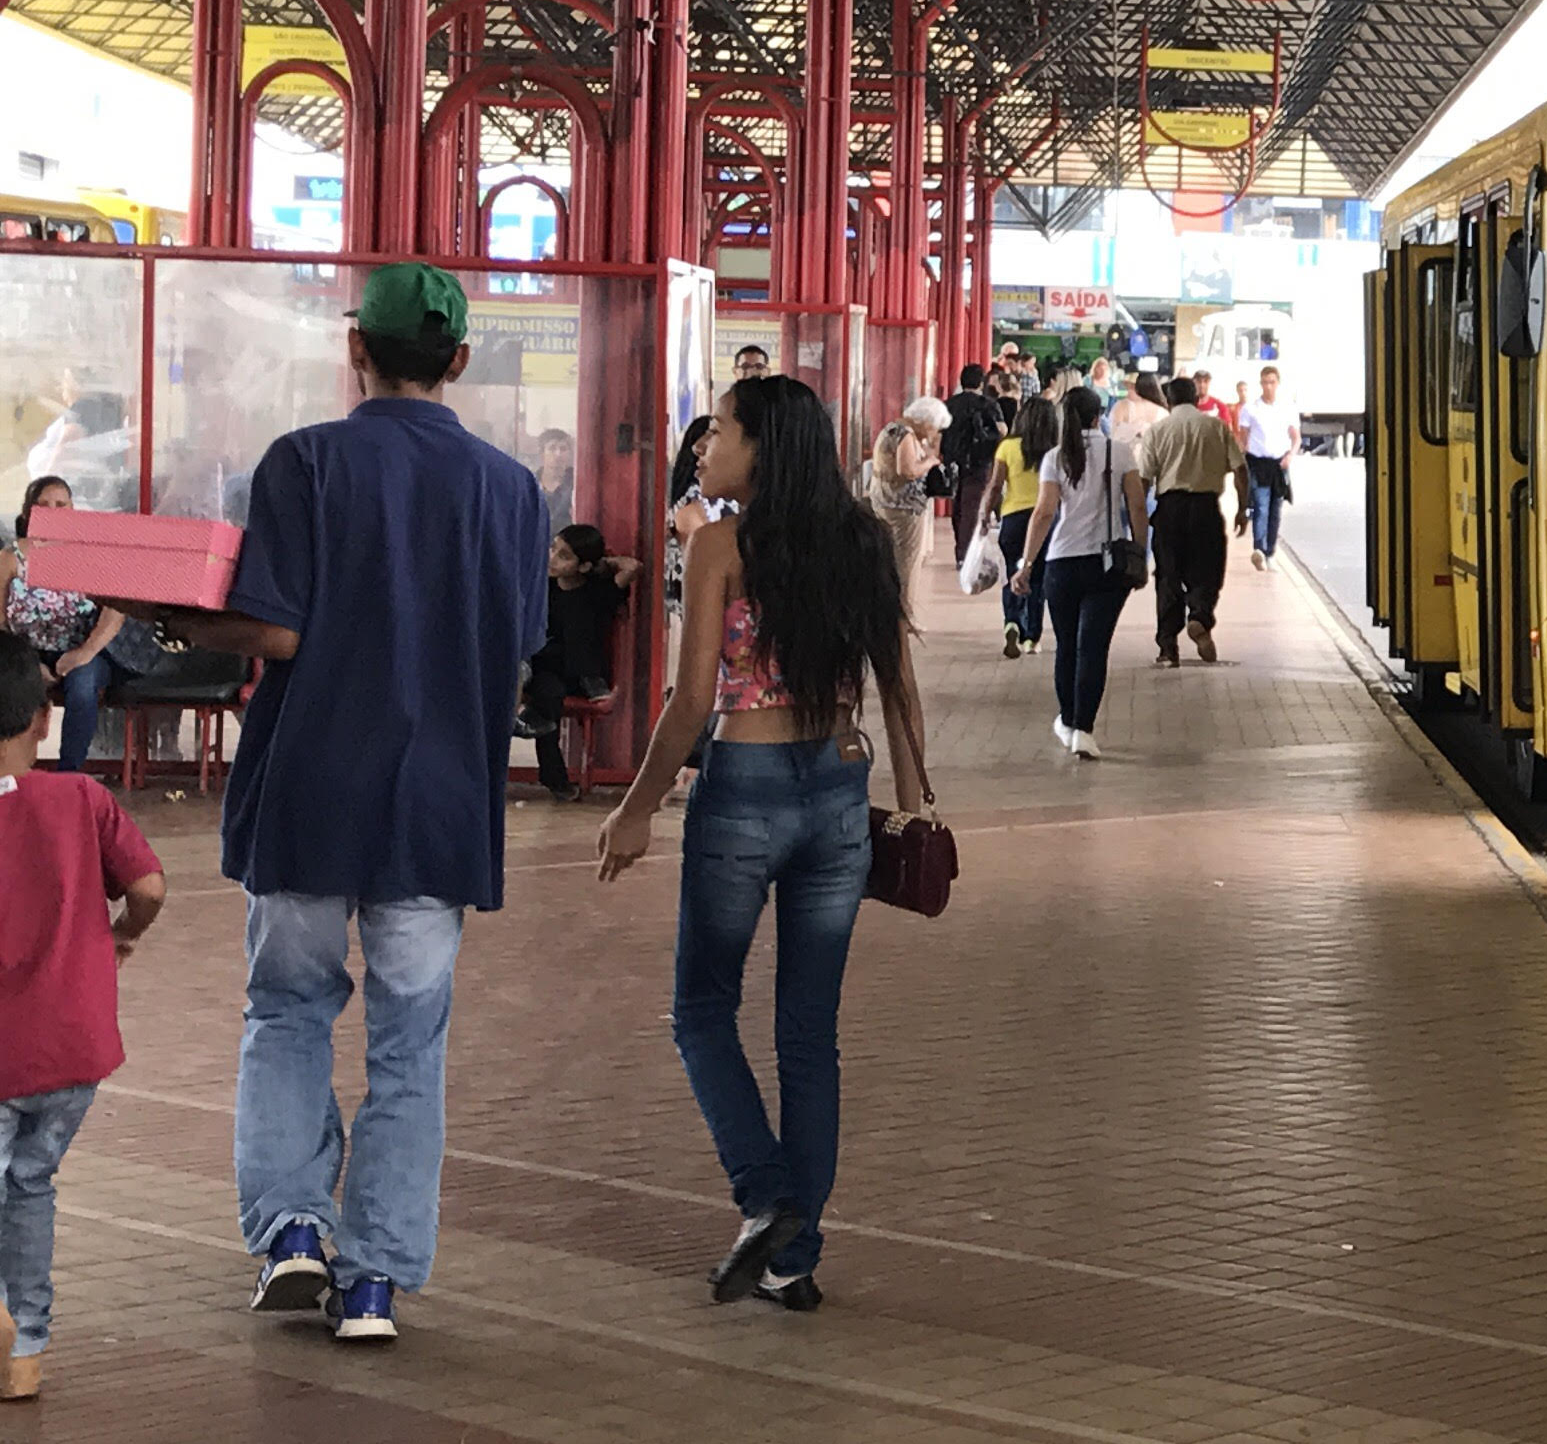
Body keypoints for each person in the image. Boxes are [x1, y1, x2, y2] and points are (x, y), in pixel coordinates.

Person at [112, 264, 544, 1348]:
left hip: (310, 787)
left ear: (358, 349)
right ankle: (376, 1283)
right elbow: (521, 642)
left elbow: (279, 632)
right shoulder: (511, 489)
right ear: (457, 360)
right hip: (439, 803)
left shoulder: (304, 460)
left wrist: (172, 626)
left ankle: (294, 1231)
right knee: (410, 1043)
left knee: (289, 1010)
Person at [597, 377, 936, 1312]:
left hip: (742, 792)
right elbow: (897, 683)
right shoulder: (860, 541)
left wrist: (636, 807)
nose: (703, 445)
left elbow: (692, 704)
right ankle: (796, 1258)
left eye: (721, 431)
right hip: (837, 794)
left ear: (765, 447)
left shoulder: (719, 546)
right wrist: (911, 802)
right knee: (807, 1034)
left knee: (702, 1009)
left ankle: (766, 1197)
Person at [0, 631, 166, 1402]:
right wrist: (125, 933)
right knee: (31, 1185)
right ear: (42, 718)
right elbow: (152, 888)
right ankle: (27, 1349)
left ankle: (0, 1314)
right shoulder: (82, 799)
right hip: (73, 1050)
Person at [1012, 384, 1142, 759]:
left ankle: (1067, 721)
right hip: (1107, 567)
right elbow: (1136, 506)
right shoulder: (1119, 452)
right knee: (1094, 648)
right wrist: (1140, 550)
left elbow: (1044, 512)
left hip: (1062, 564)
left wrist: (1027, 564)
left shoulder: (1055, 457)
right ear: (1096, 415)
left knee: (1066, 646)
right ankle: (1084, 729)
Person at [520, 523, 641, 800]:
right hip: (546, 669)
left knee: (547, 697)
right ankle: (556, 779)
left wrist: (603, 562)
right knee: (547, 696)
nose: (552, 558)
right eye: (553, 550)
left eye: (564, 556)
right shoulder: (544, 588)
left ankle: (546, 756)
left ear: (583, 566)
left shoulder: (598, 591)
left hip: (581, 672)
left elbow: (633, 567)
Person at [8, 477, 120, 774]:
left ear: (73, 510)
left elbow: (117, 610)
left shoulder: (93, 556)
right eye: (43, 505)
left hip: (81, 652)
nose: (52, 510)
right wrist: (30, 663)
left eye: (61, 505)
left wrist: (84, 653)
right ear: (28, 512)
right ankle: (11, 771)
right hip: (23, 652)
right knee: (8, 680)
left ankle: (69, 774)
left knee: (83, 686)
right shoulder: (10, 558)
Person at [1141, 371, 1240, 666]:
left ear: (1168, 400)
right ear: (1196, 399)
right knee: (1208, 570)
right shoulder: (1216, 427)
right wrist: (1244, 510)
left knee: (1168, 576)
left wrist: (1137, 516)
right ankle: (1199, 616)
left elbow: (1145, 478)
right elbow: (1241, 469)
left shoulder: (1157, 431)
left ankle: (1168, 647)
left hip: (1169, 509)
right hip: (1206, 508)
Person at [990, 387, 1050, 660]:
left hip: (1013, 520)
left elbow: (995, 486)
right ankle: (1031, 637)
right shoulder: (1054, 451)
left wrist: (986, 514)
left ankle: (1012, 620)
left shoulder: (1007, 447)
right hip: (1044, 521)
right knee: (1037, 579)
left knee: (1013, 573)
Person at [1237, 363, 1299, 569]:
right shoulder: (1251, 409)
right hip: (1258, 462)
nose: (1268, 387)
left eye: (1272, 382)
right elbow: (1243, 436)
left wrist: (1291, 455)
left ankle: (1271, 550)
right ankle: (1259, 549)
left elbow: (1295, 437)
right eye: (1264, 382)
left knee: (1276, 509)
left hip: (1279, 463)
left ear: (1277, 383)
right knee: (1261, 506)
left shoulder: (1287, 407)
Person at [863, 397, 948, 547]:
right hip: (903, 507)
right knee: (906, 561)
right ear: (926, 422)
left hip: (886, 501)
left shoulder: (894, 428)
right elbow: (908, 471)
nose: (935, 432)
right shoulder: (905, 434)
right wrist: (930, 461)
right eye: (935, 427)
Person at [941, 365, 1005, 563]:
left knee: (958, 504)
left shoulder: (949, 404)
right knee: (971, 505)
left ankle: (960, 546)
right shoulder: (989, 404)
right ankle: (965, 554)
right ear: (981, 382)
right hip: (980, 460)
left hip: (953, 460)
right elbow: (1002, 430)